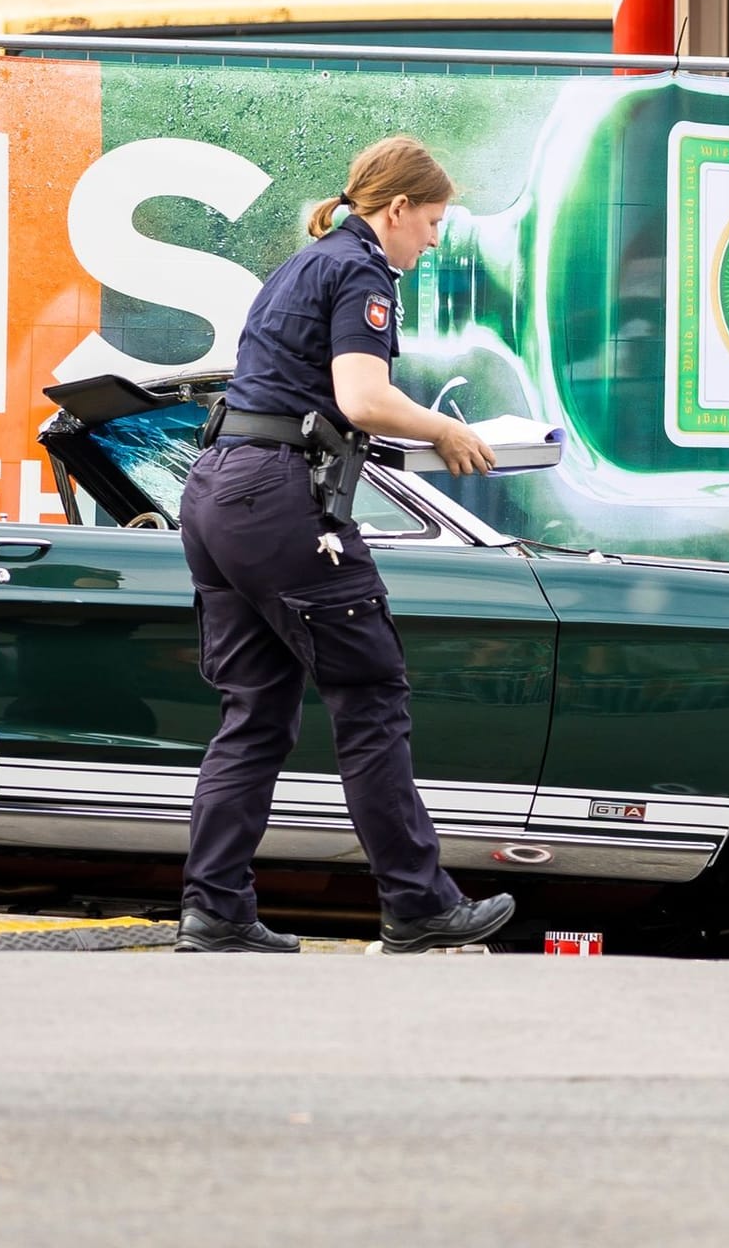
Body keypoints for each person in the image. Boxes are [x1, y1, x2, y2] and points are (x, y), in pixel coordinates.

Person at [175, 136, 516, 954]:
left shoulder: (302, 265)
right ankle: (418, 903)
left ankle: (215, 909)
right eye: (431, 221)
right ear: (395, 210)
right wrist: (444, 428)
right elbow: (362, 398)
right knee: (370, 697)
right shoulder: (362, 270)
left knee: (254, 713)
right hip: (279, 501)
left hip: (218, 492)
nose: (434, 239)